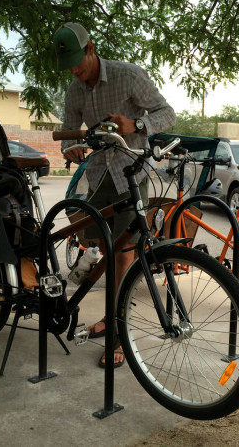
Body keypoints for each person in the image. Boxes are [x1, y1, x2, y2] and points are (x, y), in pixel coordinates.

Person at [53, 22, 176, 368]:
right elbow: (67, 133)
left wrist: (135, 126)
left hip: (132, 175)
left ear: (90, 48)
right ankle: (109, 315)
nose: (75, 71)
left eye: (79, 61)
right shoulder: (74, 92)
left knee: (123, 254)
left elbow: (167, 113)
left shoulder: (128, 75)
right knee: (96, 248)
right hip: (98, 176)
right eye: (69, 67)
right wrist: (71, 149)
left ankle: (119, 334)